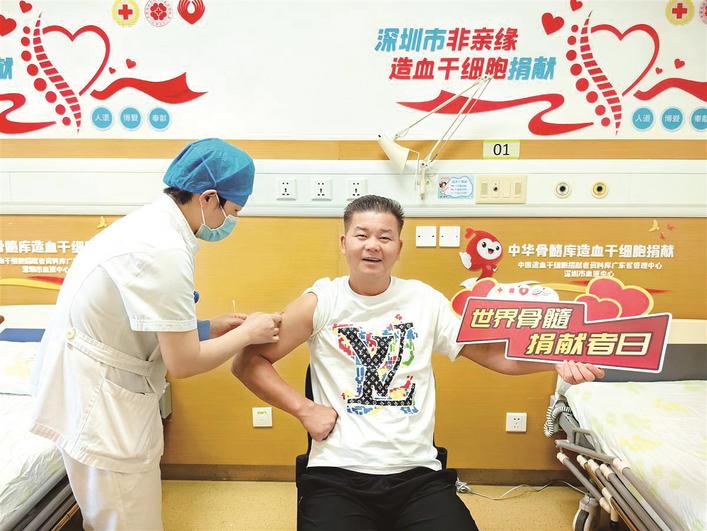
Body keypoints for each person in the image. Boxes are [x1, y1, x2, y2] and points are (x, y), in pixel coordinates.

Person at [232, 194, 604, 530]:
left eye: (385, 237)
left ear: (399, 247)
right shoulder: (322, 301)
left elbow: (493, 354)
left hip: (417, 474)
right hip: (336, 473)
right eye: (362, 235)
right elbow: (248, 362)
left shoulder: (424, 301)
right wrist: (305, 409)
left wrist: (557, 360)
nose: (373, 245)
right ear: (344, 243)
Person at [30, 138, 281, 531]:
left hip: (93, 383)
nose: (231, 222)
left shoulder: (150, 226)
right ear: (208, 198)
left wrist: (209, 327)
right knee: (128, 519)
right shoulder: (163, 250)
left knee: (112, 517)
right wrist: (248, 333)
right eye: (233, 211)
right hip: (101, 404)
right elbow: (183, 362)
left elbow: (138, 318)